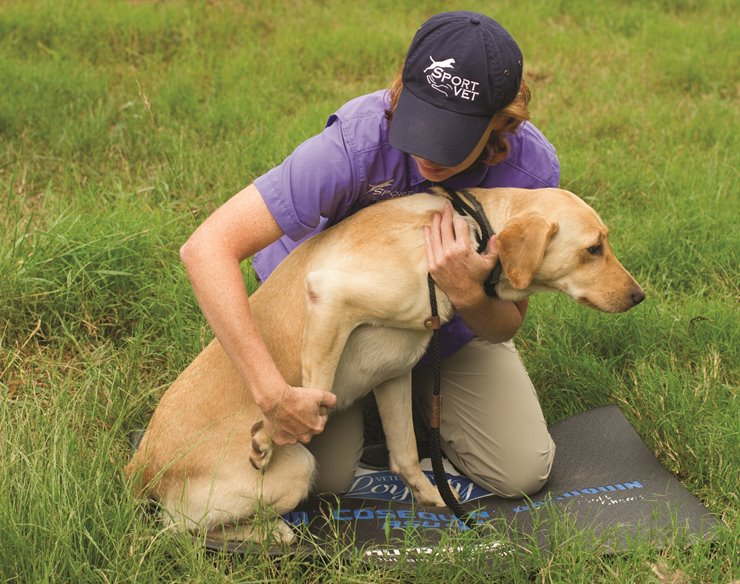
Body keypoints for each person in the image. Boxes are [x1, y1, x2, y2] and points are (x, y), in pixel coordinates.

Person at [179, 11, 558, 499]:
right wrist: (271, 393)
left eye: (452, 137)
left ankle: (420, 398)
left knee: (523, 471)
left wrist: (467, 292)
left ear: (501, 125)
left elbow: (505, 323)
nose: (428, 153)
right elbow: (206, 247)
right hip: (331, 320)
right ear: (402, 91)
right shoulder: (354, 144)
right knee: (326, 480)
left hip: (451, 330)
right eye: (419, 123)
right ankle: (381, 404)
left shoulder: (529, 174)